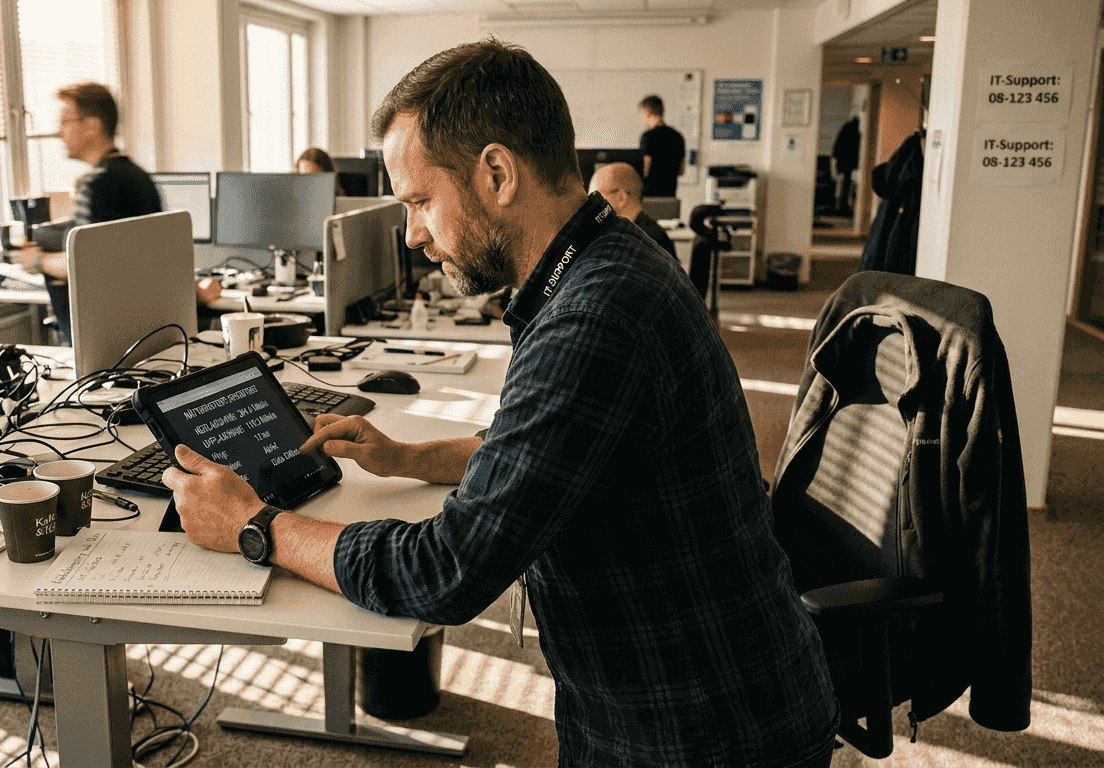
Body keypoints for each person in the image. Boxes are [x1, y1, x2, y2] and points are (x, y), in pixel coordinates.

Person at [161, 40, 838, 767]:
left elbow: (445, 572)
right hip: (692, 692)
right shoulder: (603, 263)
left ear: (496, 174)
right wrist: (406, 456)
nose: (414, 235)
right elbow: (547, 451)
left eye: (421, 201)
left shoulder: (594, 317)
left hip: (697, 731)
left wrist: (255, 525)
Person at [21, 82, 162, 345]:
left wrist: (37, 261)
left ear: (92, 126)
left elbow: (86, 263)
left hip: (102, 338)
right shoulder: (138, 176)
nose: (59, 133)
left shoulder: (96, 184)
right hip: (139, 329)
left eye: (66, 122)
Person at [588, 161, 676, 260]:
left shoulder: (640, 243)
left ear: (621, 198)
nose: (591, 205)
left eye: (596, 197)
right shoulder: (641, 235)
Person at [638, 94, 687, 198]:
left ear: (646, 111)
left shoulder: (648, 136)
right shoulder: (678, 136)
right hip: (670, 195)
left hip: (649, 196)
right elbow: (681, 170)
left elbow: (645, 170)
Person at [832, 116, 861, 216]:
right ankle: (843, 206)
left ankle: (839, 206)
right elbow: (856, 148)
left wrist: (836, 161)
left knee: (842, 185)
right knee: (847, 186)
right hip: (850, 162)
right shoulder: (856, 131)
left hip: (843, 162)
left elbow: (837, 147)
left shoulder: (846, 127)